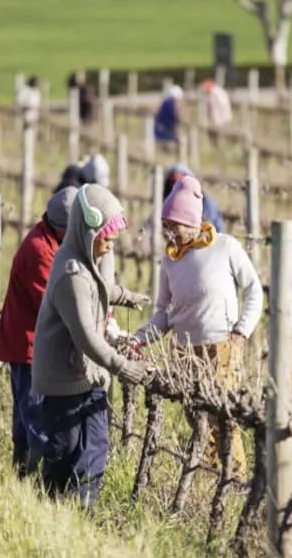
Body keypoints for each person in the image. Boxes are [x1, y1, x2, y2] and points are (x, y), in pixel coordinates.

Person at [129, 177, 261, 479]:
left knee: (225, 420)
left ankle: (235, 481)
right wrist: (140, 339)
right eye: (166, 226)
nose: (169, 233)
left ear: (191, 222)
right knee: (198, 420)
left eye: (174, 225)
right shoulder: (170, 261)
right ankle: (212, 480)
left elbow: (254, 290)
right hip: (184, 353)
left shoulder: (226, 247)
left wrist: (241, 332)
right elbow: (163, 313)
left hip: (221, 349)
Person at [32, 184, 152, 508]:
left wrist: (126, 296)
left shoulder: (86, 263)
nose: (110, 246)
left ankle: (81, 511)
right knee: (64, 450)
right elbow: (85, 335)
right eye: (106, 238)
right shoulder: (71, 274)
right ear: (87, 231)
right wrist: (123, 366)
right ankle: (52, 508)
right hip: (63, 379)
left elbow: (100, 287)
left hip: (87, 374)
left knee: (96, 445)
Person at [0, 188, 79, 476]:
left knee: (26, 412)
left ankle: (22, 471)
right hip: (29, 345)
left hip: (29, 341)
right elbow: (52, 302)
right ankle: (35, 478)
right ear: (64, 228)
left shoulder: (46, 238)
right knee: (35, 414)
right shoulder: (41, 251)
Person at [164, 164, 224, 233]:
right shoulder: (166, 200)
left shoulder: (204, 201)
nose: (176, 184)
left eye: (181, 180)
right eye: (173, 181)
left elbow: (213, 225)